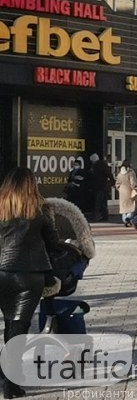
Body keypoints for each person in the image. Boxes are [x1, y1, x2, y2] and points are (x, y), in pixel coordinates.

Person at [0, 167, 61, 399]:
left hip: (2, 272)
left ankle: (11, 379)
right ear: (30, 185)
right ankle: (9, 382)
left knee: (10, 324)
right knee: (19, 327)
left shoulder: (1, 208)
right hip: (30, 275)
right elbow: (53, 241)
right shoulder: (39, 209)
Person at [88, 152, 113, 222]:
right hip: (103, 187)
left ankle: (96, 217)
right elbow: (109, 174)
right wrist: (112, 182)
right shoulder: (103, 165)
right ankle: (105, 217)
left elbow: (93, 176)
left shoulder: (96, 166)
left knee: (98, 203)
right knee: (103, 203)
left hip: (99, 187)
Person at [115, 159, 137, 227]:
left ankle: (124, 219)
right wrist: (134, 187)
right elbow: (133, 182)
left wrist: (119, 188)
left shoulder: (119, 173)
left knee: (123, 207)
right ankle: (128, 218)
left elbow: (117, 183)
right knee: (131, 206)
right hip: (129, 190)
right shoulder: (131, 172)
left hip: (122, 191)